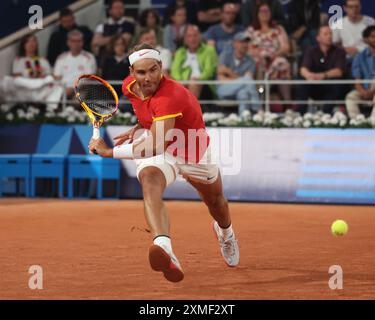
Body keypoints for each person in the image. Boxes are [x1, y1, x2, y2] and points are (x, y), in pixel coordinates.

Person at [88, 43, 240, 283]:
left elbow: (157, 144)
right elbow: (150, 119)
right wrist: (141, 125)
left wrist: (109, 152)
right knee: (149, 180)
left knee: (215, 201)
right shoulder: (129, 87)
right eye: (141, 72)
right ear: (131, 72)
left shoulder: (171, 95)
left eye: (153, 70)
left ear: (161, 67)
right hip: (162, 148)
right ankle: (164, 247)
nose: (147, 78)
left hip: (192, 149)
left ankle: (226, 233)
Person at [246, 1, 291, 105]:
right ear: (257, 14)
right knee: (259, 64)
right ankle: (259, 104)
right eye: (262, 11)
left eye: (267, 11)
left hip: (275, 58)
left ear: (271, 13)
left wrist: (274, 55)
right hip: (257, 59)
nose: (264, 13)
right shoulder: (251, 30)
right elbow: (247, 49)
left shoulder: (278, 29)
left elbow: (285, 47)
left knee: (282, 63)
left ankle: (288, 103)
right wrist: (260, 54)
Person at [296, 25, 347, 114]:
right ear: (318, 38)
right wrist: (309, 76)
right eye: (326, 34)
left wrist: (323, 75)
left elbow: (339, 71)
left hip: (329, 85)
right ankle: (300, 114)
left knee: (336, 82)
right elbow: (303, 69)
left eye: (330, 34)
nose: (329, 36)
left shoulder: (339, 51)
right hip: (314, 85)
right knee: (302, 82)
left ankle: (327, 114)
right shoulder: (311, 51)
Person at [216, 32, 261, 115]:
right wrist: (240, 79)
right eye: (241, 42)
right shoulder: (225, 55)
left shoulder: (250, 61)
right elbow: (220, 77)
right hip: (224, 90)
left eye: (246, 42)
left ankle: (244, 119)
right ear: (234, 44)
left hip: (240, 90)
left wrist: (229, 73)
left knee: (243, 93)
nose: (245, 45)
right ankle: (257, 108)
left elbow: (248, 78)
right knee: (246, 81)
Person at [171, 25, 218, 99]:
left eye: (195, 35)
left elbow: (209, 71)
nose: (192, 39)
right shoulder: (180, 52)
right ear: (185, 39)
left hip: (204, 84)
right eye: (189, 36)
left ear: (200, 37)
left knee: (193, 84)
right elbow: (174, 70)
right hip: (183, 84)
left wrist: (198, 79)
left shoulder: (209, 50)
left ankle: (191, 110)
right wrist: (182, 81)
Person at [54, 30, 97, 98]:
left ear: (82, 42)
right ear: (68, 42)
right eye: (73, 41)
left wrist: (73, 89)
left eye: (78, 41)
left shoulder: (89, 57)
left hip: (81, 89)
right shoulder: (61, 58)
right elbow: (57, 78)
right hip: (63, 89)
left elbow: (90, 78)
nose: (76, 44)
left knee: (77, 98)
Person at [345, 25, 375, 120]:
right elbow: (357, 79)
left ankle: (373, 122)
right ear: (366, 40)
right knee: (351, 97)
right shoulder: (359, 57)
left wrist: (372, 91)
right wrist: (363, 91)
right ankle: (357, 122)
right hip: (364, 88)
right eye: (373, 36)